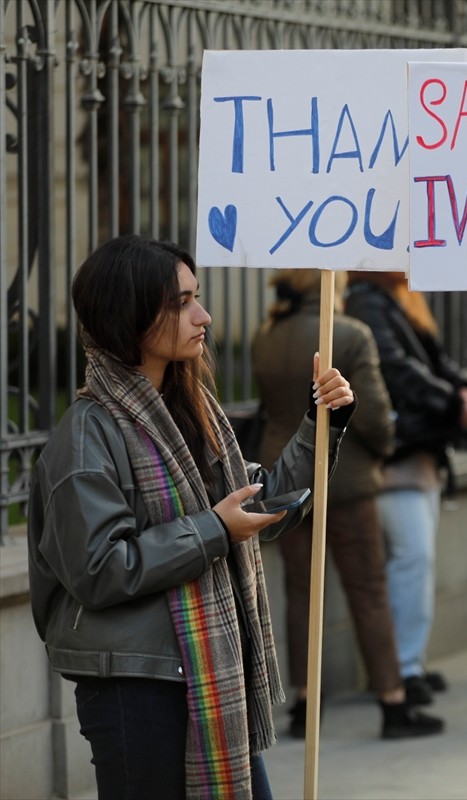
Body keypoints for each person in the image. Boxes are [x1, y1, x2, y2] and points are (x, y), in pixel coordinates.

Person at [26, 235, 356, 799]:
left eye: (196, 297)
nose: (202, 315)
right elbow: (101, 568)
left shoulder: (189, 412)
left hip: (203, 671)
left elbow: (253, 504)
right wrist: (214, 530)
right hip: (135, 684)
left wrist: (321, 425)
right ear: (129, 313)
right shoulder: (86, 437)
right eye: (180, 302)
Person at [251, 269, 444, 739]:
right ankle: (393, 703)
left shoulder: (266, 335)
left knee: (301, 594)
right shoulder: (351, 334)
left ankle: (302, 703)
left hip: (284, 477)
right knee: (368, 590)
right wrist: (383, 447)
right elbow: (375, 414)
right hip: (348, 477)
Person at [343, 271, 467, 706]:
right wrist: (449, 398)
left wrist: (462, 390)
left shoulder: (396, 299)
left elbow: (433, 360)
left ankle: (409, 665)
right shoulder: (367, 300)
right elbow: (394, 367)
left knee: (413, 563)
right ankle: (402, 669)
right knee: (410, 559)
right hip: (396, 457)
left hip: (417, 455)